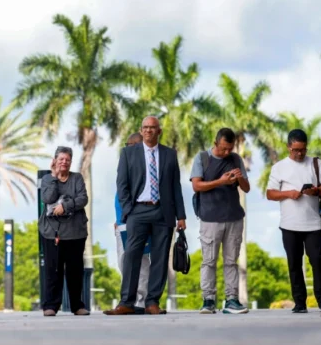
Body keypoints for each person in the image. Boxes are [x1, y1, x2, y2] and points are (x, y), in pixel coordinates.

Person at [104, 116, 186, 316]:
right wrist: (127, 211)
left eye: (152, 128)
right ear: (141, 131)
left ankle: (152, 302)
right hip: (137, 211)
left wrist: (181, 216)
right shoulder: (128, 153)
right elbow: (121, 185)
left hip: (163, 211)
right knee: (131, 255)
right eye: (145, 128)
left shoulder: (169, 154)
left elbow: (176, 186)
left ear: (159, 131)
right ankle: (126, 303)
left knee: (160, 257)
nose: (148, 131)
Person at [265, 129, 321, 313]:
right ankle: (300, 303)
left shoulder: (316, 163)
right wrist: (288, 193)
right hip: (289, 225)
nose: (300, 153)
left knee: (318, 261)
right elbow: (270, 193)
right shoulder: (279, 167)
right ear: (288, 147)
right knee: (294, 263)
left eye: (302, 149)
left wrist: (316, 191)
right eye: (295, 149)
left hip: (313, 224)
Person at [190, 128, 250, 315]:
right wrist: (220, 182)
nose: (226, 153)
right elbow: (196, 185)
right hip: (210, 218)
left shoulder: (236, 159)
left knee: (231, 261)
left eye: (230, 149)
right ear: (215, 143)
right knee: (209, 261)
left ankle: (231, 300)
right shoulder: (202, 158)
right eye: (223, 148)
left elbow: (246, 188)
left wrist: (239, 178)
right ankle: (208, 300)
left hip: (234, 217)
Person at [40, 146, 90, 317]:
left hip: (75, 233)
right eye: (61, 159)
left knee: (75, 271)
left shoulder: (77, 178)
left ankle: (77, 306)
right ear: (55, 161)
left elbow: (83, 198)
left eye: (67, 160)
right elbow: (47, 198)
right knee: (53, 270)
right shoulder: (47, 179)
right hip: (52, 233)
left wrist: (65, 206)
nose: (64, 162)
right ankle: (51, 306)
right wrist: (54, 176)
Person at [114, 132, 151, 314]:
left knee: (142, 262)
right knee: (124, 262)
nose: (127, 148)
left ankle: (140, 301)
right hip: (121, 223)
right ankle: (128, 298)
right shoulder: (125, 162)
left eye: (130, 145)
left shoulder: (144, 166)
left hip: (137, 221)